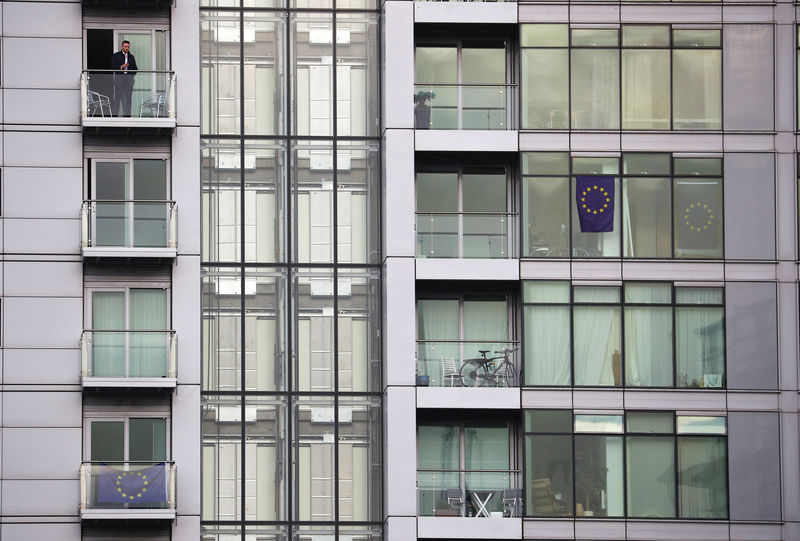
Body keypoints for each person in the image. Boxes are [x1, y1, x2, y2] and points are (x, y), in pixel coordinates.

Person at [111, 41, 138, 117]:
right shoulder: (116, 56)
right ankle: (115, 116)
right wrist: (121, 67)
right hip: (119, 80)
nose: (127, 48)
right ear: (122, 47)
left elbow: (135, 69)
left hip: (128, 81)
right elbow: (112, 67)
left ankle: (127, 116)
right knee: (117, 98)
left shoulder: (131, 57)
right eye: (125, 46)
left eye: (128, 46)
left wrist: (130, 76)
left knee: (128, 99)